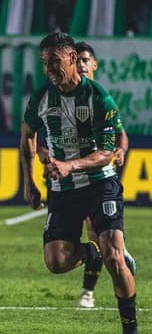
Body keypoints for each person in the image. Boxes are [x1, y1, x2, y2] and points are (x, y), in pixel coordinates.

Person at [20, 32, 140, 334]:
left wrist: (69, 165)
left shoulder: (99, 97)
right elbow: (27, 136)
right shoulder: (42, 98)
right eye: (45, 63)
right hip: (62, 189)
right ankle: (92, 251)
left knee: (116, 258)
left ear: (73, 59)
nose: (49, 70)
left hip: (101, 182)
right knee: (56, 262)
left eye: (55, 62)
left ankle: (131, 331)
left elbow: (107, 151)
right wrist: (29, 182)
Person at [38, 41, 133, 309]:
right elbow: (39, 133)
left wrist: (120, 150)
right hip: (67, 183)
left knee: (97, 233)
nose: (81, 64)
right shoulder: (53, 96)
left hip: (97, 175)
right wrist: (42, 150)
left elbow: (120, 133)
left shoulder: (98, 97)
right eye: (77, 59)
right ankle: (98, 268)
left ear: (93, 65)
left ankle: (88, 291)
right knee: (83, 246)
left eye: (85, 60)